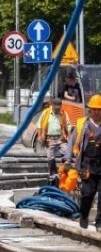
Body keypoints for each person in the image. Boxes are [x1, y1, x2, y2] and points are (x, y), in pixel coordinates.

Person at [66, 94, 101, 229]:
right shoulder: (83, 125)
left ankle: (99, 222)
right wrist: (68, 160)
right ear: (90, 110)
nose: (97, 112)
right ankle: (84, 215)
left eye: (99, 110)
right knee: (87, 194)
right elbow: (71, 143)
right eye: (95, 109)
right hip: (87, 165)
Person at [36, 97, 71, 181]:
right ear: (52, 105)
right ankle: (53, 173)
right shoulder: (46, 113)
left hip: (60, 137)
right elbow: (39, 125)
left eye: (59, 108)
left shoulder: (63, 113)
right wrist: (41, 136)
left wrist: (67, 135)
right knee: (50, 156)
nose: (57, 110)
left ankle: (65, 169)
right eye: (56, 108)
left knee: (66, 150)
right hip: (49, 138)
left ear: (61, 106)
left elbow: (68, 125)